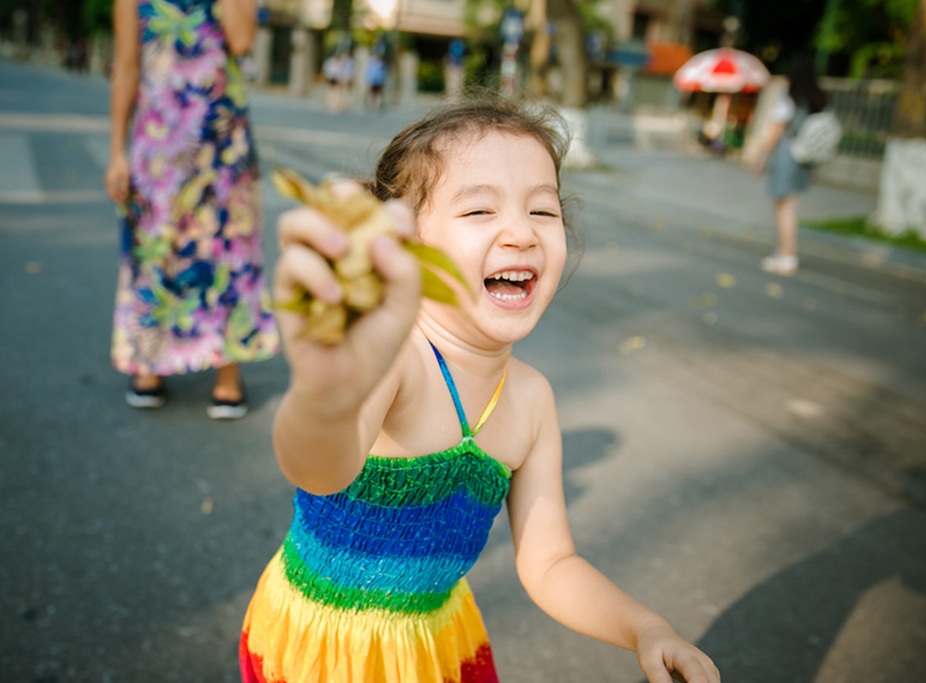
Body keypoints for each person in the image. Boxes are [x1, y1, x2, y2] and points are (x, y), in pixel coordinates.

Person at [238, 97, 720, 683]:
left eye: (543, 210)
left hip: (440, 643)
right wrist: (322, 398)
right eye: (479, 211)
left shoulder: (532, 401)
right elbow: (318, 469)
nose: (521, 232)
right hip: (328, 651)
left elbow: (550, 563)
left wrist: (646, 628)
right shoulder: (394, 362)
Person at [104, 0, 279, 419]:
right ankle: (150, 362)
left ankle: (227, 373)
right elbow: (127, 66)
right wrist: (116, 151)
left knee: (228, 250)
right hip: (159, 141)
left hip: (222, 143)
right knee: (153, 250)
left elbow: (241, 39)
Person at [752, 53, 828, 277]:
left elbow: (776, 130)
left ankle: (787, 256)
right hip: (806, 158)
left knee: (784, 207)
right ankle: (783, 254)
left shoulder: (789, 97)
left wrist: (760, 156)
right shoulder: (818, 99)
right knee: (788, 205)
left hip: (787, 156)